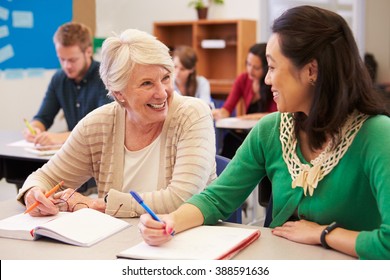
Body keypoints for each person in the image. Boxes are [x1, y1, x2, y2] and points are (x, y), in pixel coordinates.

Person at [138, 6, 390, 259]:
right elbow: (216, 199)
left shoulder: (377, 134)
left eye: (272, 67)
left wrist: (323, 233)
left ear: (311, 71)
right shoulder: (271, 130)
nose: (267, 79)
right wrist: (169, 222)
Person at [16, 29, 217, 218]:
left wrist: (96, 205)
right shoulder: (98, 124)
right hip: (117, 242)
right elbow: (45, 178)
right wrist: (33, 193)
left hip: (188, 242)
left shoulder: (193, 114)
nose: (162, 92)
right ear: (119, 93)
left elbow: (181, 199)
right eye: (147, 83)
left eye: (165, 78)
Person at [22, 22, 112, 147]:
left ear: (89, 52)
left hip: (100, 151)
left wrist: (60, 137)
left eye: (72, 60)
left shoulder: (106, 78)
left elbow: (102, 128)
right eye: (62, 59)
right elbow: (43, 117)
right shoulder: (59, 79)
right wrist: (34, 128)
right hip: (74, 152)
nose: (67, 66)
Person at [212, 43, 277, 158]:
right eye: (248, 64)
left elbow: (274, 115)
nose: (250, 70)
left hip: (268, 133)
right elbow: (227, 109)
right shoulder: (243, 79)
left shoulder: (272, 82)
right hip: (247, 132)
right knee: (230, 141)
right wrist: (215, 113)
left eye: (256, 68)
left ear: (266, 68)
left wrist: (245, 117)